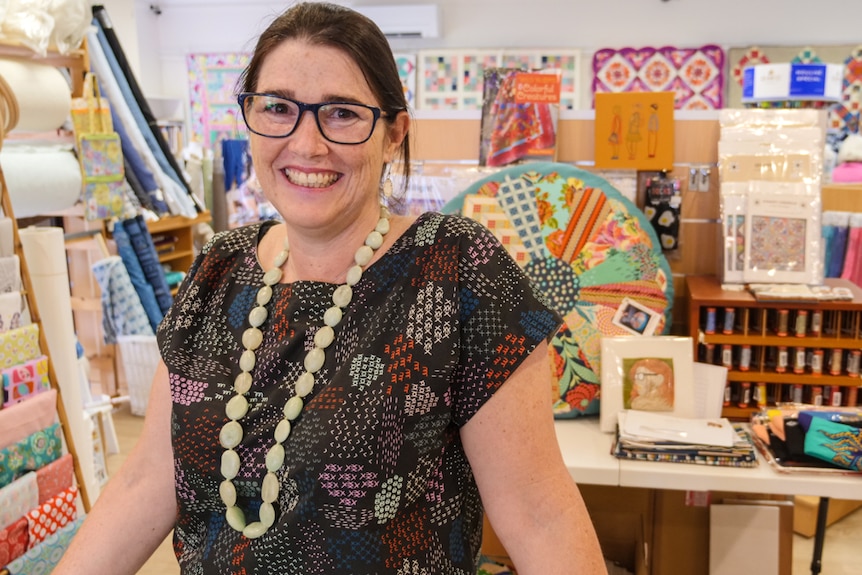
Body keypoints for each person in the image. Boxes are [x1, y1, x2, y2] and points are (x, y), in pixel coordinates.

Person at [54, 3, 606, 573]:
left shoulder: (458, 269)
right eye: (277, 108)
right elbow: (146, 480)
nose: (307, 144)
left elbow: (540, 514)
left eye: (341, 113)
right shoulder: (219, 270)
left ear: (394, 134)